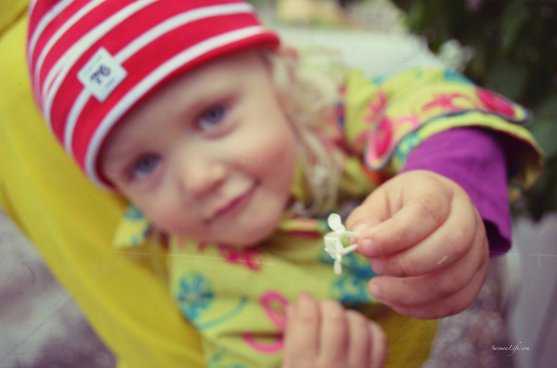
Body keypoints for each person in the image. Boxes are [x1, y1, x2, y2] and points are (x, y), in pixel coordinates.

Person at [12, 0, 543, 367]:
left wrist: (444, 181)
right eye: (145, 166)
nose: (198, 178)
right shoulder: (209, 287)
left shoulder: (327, 113)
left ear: (278, 74)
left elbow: (432, 101)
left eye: (211, 115)